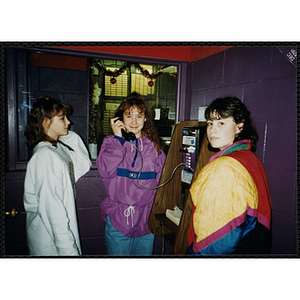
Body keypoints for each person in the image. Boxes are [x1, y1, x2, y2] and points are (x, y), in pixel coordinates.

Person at [186, 96, 272, 255]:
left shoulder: (224, 168)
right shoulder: (247, 156)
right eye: (210, 123)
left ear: (239, 126)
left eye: (221, 123)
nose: (212, 129)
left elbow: (214, 240)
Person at [96, 92, 166, 255]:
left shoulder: (154, 149)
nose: (134, 121)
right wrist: (117, 140)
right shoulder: (112, 144)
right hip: (120, 219)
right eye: (129, 116)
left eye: (139, 116)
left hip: (145, 220)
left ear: (146, 119)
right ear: (120, 120)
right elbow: (105, 170)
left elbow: (162, 184)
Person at [23, 96, 91, 256]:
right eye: (62, 118)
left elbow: (83, 163)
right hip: (52, 244)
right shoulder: (44, 156)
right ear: (46, 122)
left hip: (59, 240)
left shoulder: (57, 148)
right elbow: (53, 212)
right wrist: (69, 252)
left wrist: (64, 134)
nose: (68, 122)